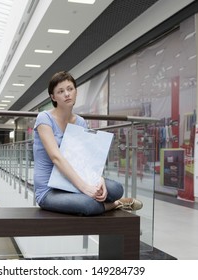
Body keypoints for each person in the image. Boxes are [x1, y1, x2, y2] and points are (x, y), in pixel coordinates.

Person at [33, 71, 143, 216]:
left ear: (76, 92)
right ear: (53, 97)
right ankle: (117, 204)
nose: (67, 94)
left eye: (70, 89)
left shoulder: (80, 122)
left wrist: (98, 179)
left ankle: (107, 197)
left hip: (71, 182)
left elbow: (85, 158)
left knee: (116, 189)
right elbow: (56, 158)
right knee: (89, 204)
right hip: (49, 190)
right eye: (61, 91)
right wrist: (85, 187)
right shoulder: (44, 119)